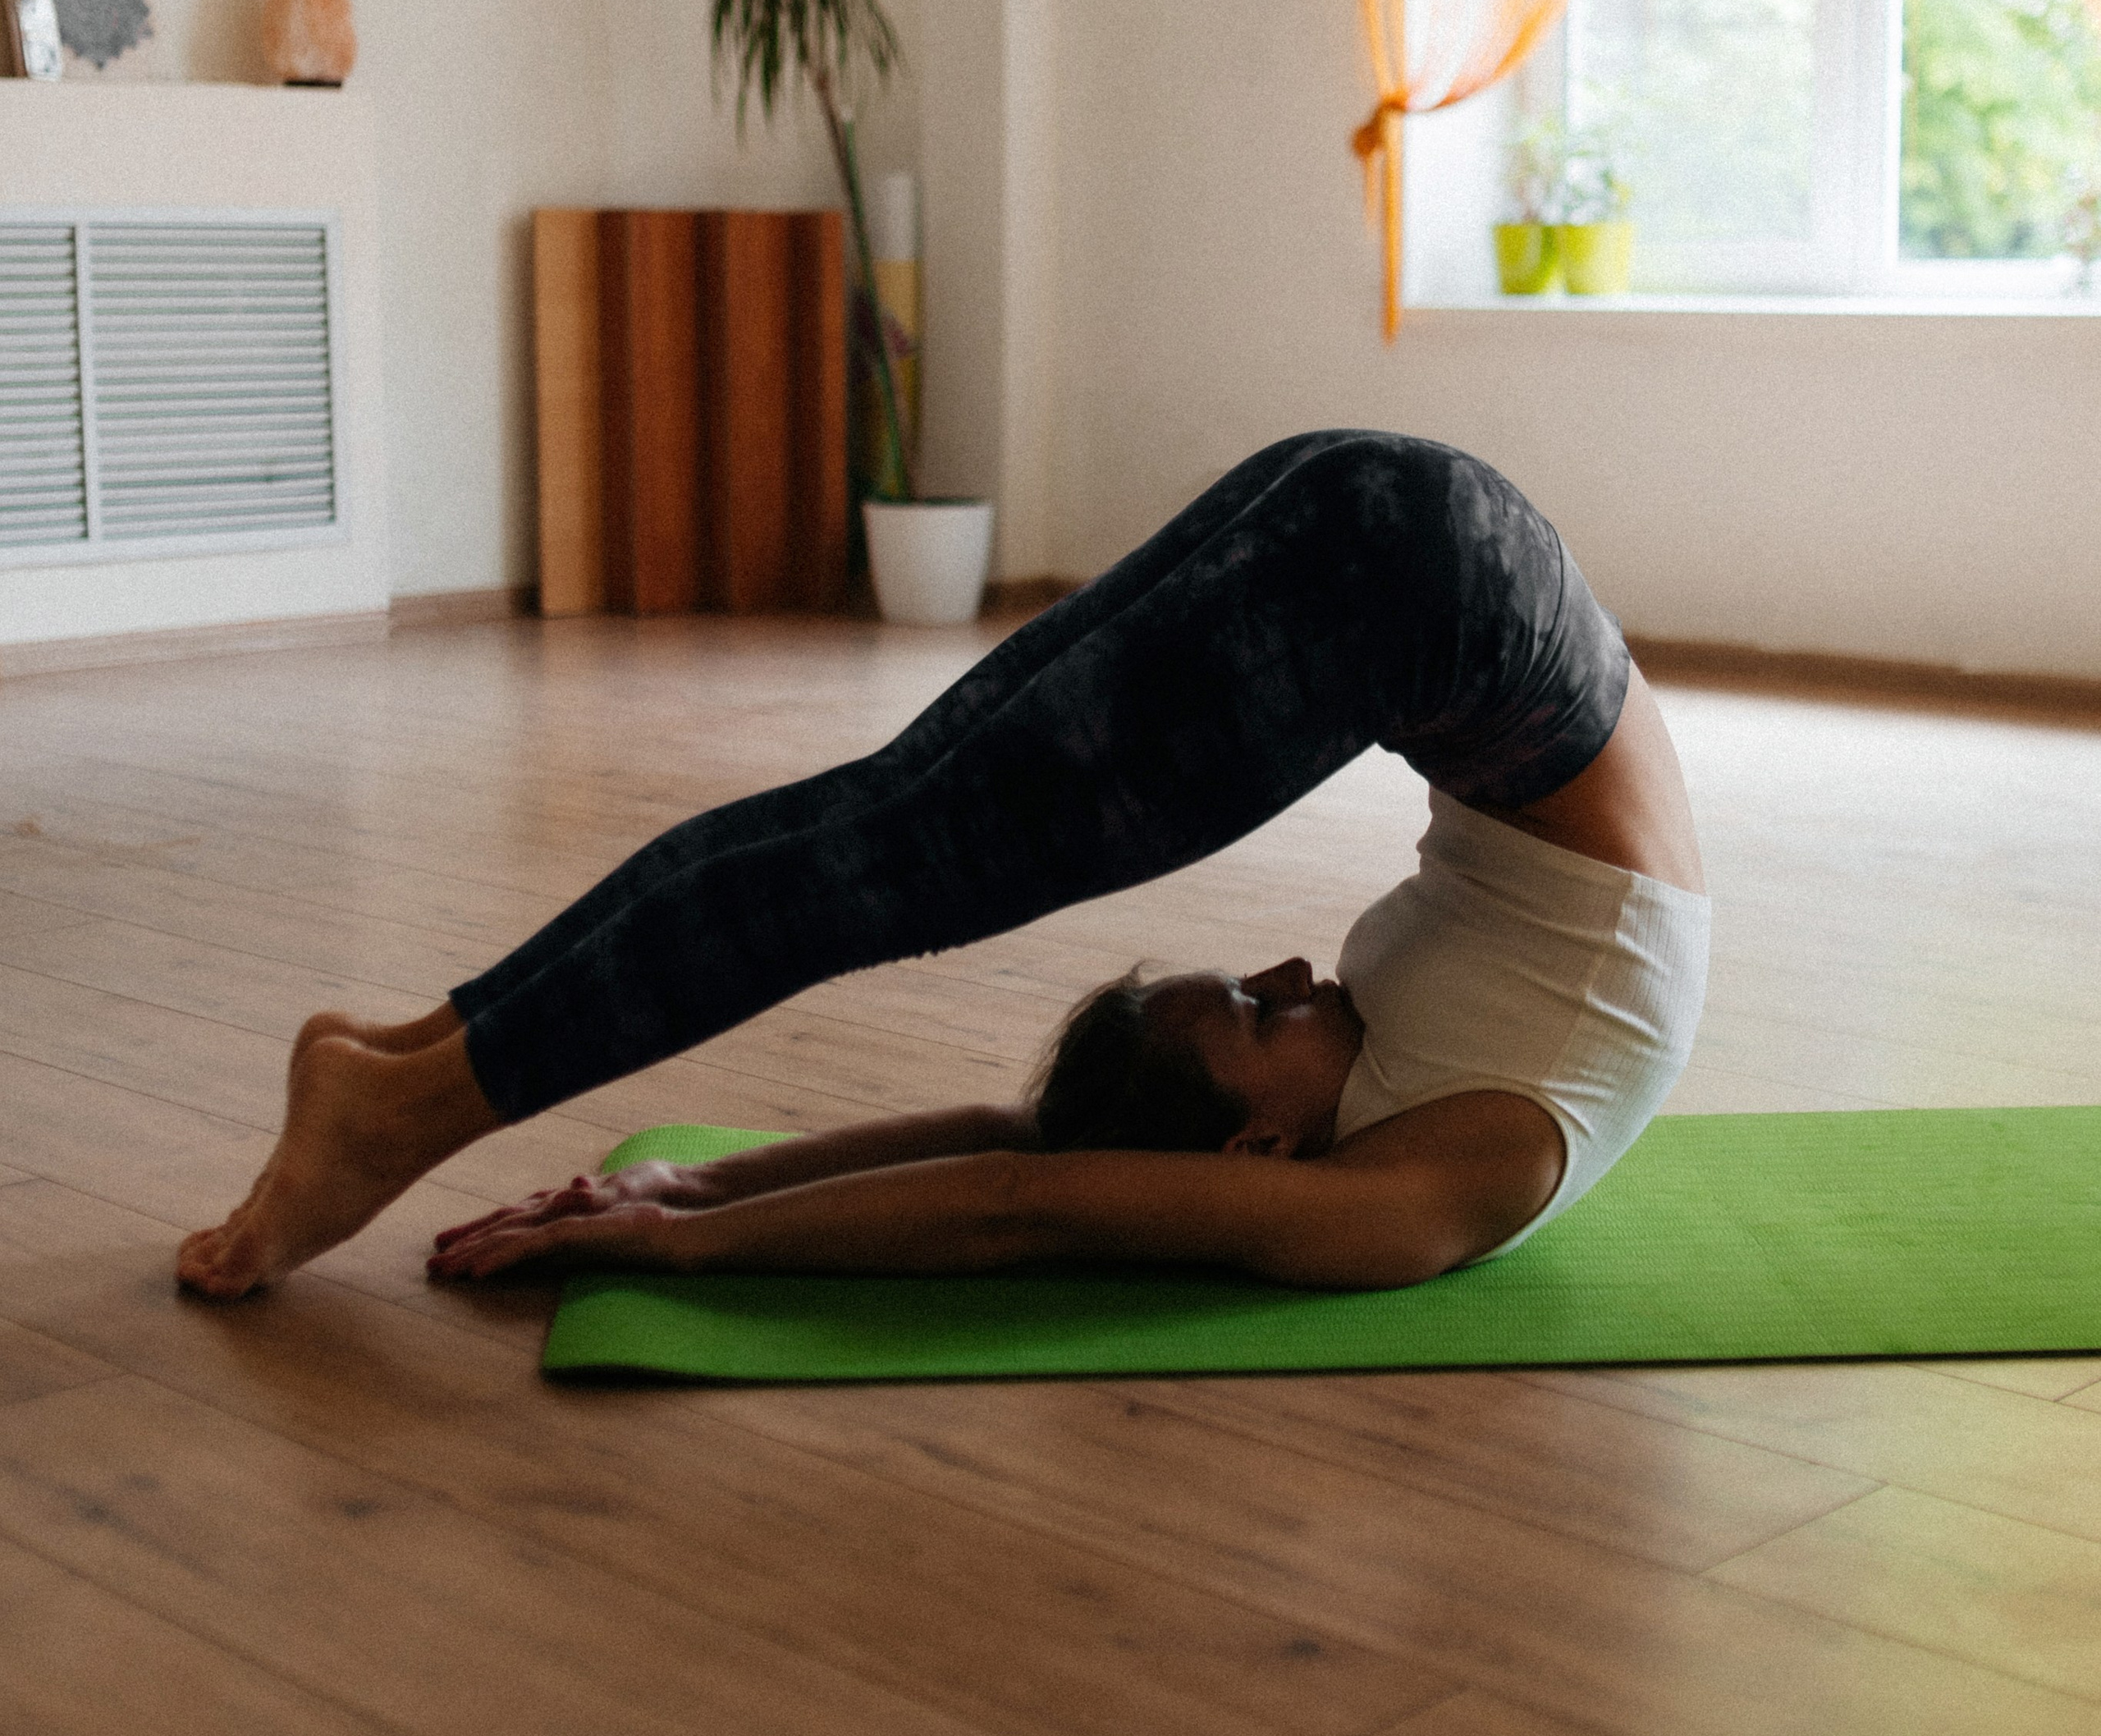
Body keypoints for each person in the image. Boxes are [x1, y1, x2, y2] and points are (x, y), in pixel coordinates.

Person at [176, 431, 1708, 1303]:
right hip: (1423, 601)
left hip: (1421, 550)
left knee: (875, 822)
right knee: (880, 862)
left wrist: (684, 1193)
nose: (1299, 972)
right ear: (1253, 1155)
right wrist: (682, 1245)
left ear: (1248, 1150)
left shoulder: (1351, 1159)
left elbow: (1023, 1160)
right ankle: (409, 1102)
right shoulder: (1442, 1184)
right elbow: (1021, 1203)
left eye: (1252, 1002)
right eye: (1262, 1006)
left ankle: (415, 1057)